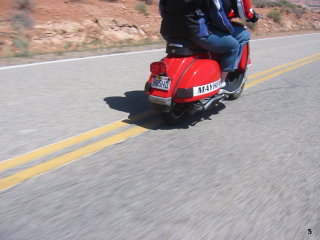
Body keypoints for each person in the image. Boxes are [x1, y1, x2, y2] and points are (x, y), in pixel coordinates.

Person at [159, 0, 259, 83]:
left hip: (168, 32)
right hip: (196, 33)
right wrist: (228, 31)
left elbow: (162, 9)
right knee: (233, 46)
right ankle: (222, 83)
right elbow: (218, 15)